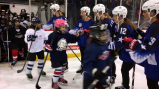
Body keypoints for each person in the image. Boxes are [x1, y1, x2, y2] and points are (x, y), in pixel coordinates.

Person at [121, 1, 159, 89]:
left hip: (154, 64)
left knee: (152, 85)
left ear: (153, 12)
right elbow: (152, 41)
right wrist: (142, 34)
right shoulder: (154, 25)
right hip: (153, 63)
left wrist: (134, 44)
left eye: (145, 11)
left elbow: (150, 47)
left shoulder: (155, 26)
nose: (143, 14)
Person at [45, 19, 83, 89]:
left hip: (63, 55)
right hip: (55, 55)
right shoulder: (53, 35)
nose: (64, 28)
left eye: (64, 27)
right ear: (57, 27)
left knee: (63, 68)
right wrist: (47, 46)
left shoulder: (66, 34)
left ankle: (61, 78)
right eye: (62, 27)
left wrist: (78, 36)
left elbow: (73, 39)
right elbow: (47, 42)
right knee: (58, 69)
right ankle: (54, 82)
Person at [83, 24, 119, 89]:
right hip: (90, 78)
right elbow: (86, 65)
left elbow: (106, 56)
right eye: (103, 34)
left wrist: (113, 53)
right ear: (97, 35)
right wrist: (94, 72)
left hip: (101, 77)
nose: (106, 36)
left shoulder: (104, 45)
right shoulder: (92, 48)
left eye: (106, 34)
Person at [111, 6, 136, 89]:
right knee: (124, 70)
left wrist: (110, 46)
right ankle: (125, 85)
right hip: (128, 54)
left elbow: (120, 42)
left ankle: (125, 86)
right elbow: (121, 38)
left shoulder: (124, 27)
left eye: (114, 16)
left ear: (120, 16)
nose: (113, 18)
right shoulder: (124, 25)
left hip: (129, 54)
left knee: (124, 70)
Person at [93, 4, 118, 84]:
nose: (95, 14)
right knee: (107, 59)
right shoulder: (104, 20)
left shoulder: (106, 21)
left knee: (110, 60)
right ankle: (109, 75)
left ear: (100, 12)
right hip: (109, 42)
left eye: (95, 13)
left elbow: (105, 35)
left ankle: (113, 76)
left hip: (111, 43)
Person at [69, 6, 95, 73]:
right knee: (82, 55)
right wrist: (70, 32)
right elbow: (76, 28)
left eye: (82, 12)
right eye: (81, 12)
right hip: (81, 42)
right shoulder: (80, 21)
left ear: (87, 13)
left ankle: (89, 68)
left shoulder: (92, 22)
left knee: (89, 56)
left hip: (89, 43)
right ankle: (83, 67)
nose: (81, 14)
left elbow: (94, 33)